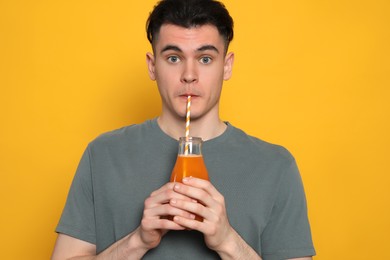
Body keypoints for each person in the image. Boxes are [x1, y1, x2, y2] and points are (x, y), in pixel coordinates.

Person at [52, 0, 316, 259]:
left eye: (205, 58)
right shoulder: (103, 155)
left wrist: (228, 241)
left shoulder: (276, 166)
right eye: (174, 57)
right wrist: (138, 241)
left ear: (227, 66)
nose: (189, 74)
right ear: (152, 65)